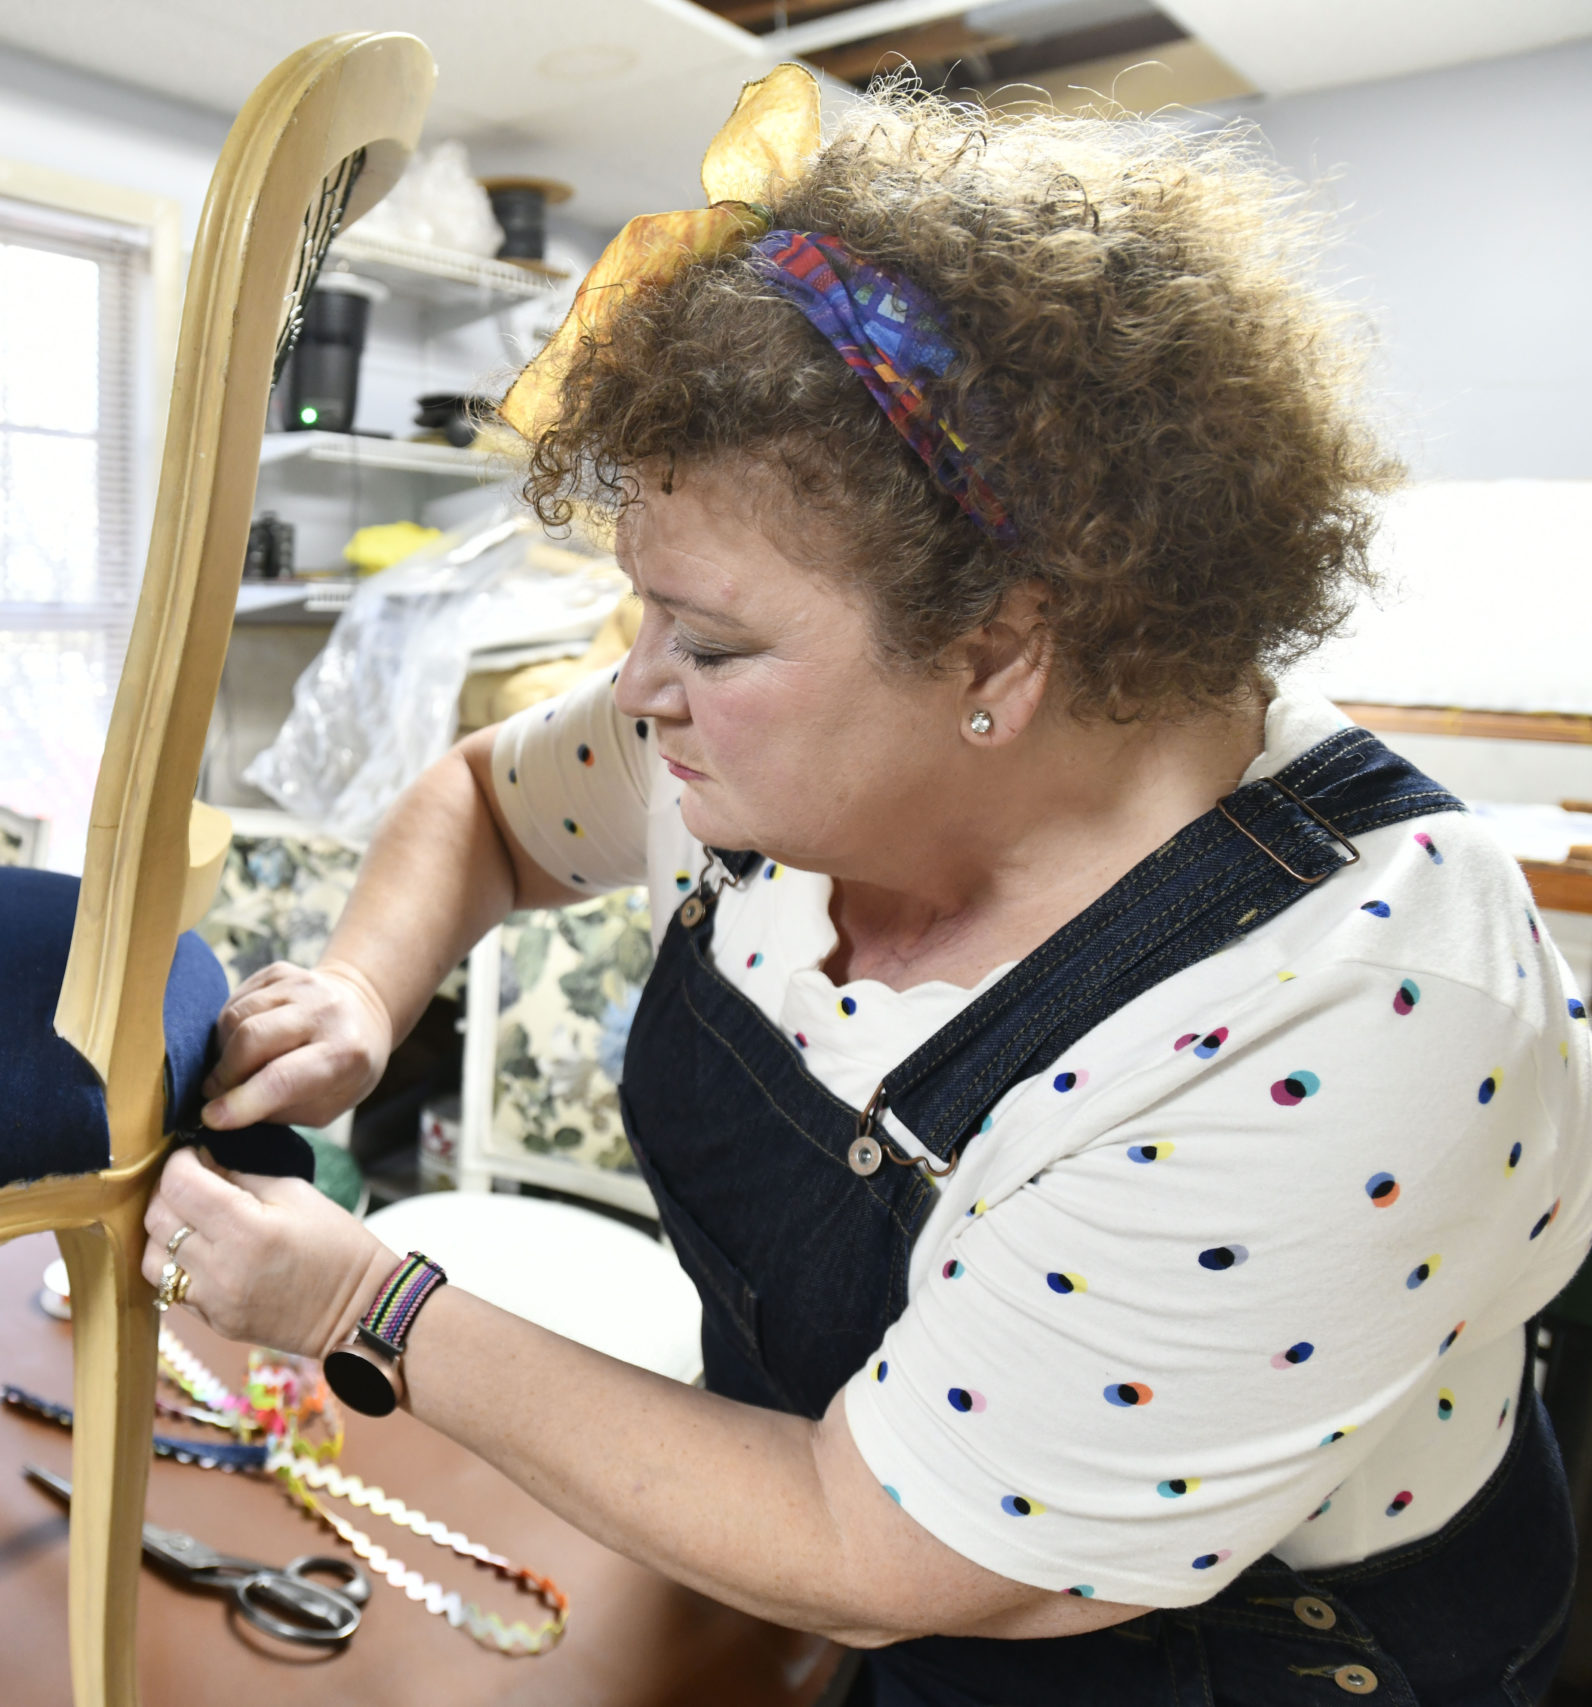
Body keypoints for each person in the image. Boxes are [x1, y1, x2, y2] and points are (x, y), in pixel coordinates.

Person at [142, 78, 1592, 1703]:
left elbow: (875, 1543)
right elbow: (482, 800)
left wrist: (367, 1298)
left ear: (996, 649)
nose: (637, 693)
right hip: (868, 1559)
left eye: (711, 641)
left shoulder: (1354, 1010)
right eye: (641, 616)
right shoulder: (760, 748)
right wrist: (360, 988)